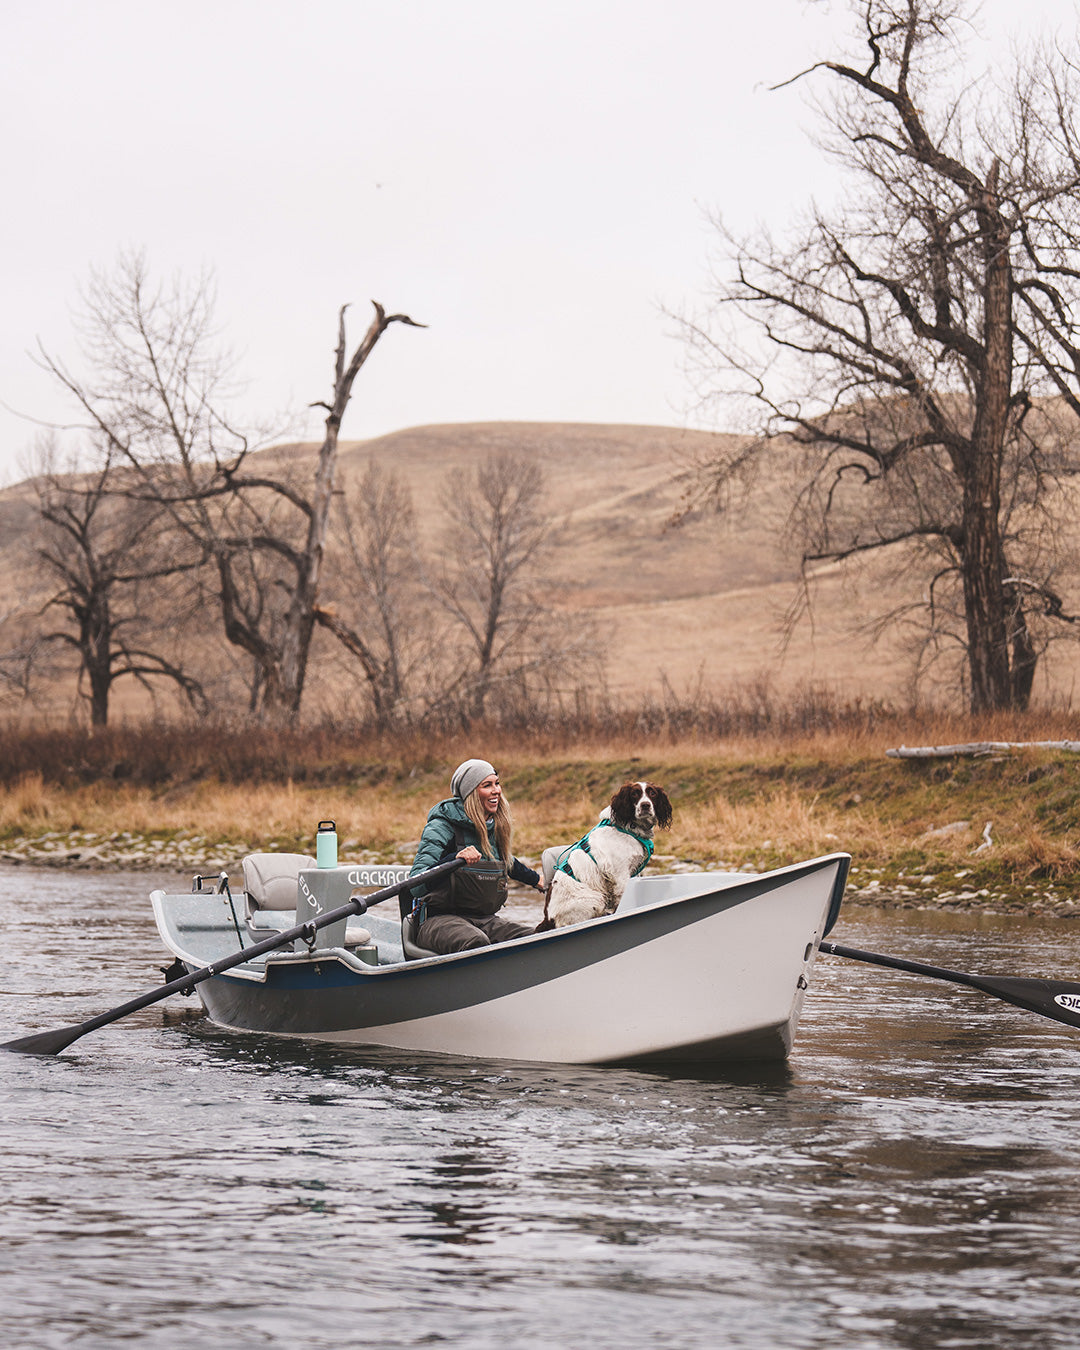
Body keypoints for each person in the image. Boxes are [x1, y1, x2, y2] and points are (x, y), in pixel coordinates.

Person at [408, 758, 543, 954]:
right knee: (476, 941)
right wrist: (454, 859)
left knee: (534, 937)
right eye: (487, 785)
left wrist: (538, 880)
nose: (496, 790)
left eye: (497, 783)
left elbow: (506, 862)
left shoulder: (493, 826)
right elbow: (416, 885)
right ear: (471, 792)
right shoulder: (442, 826)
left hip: (485, 920)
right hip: (438, 921)